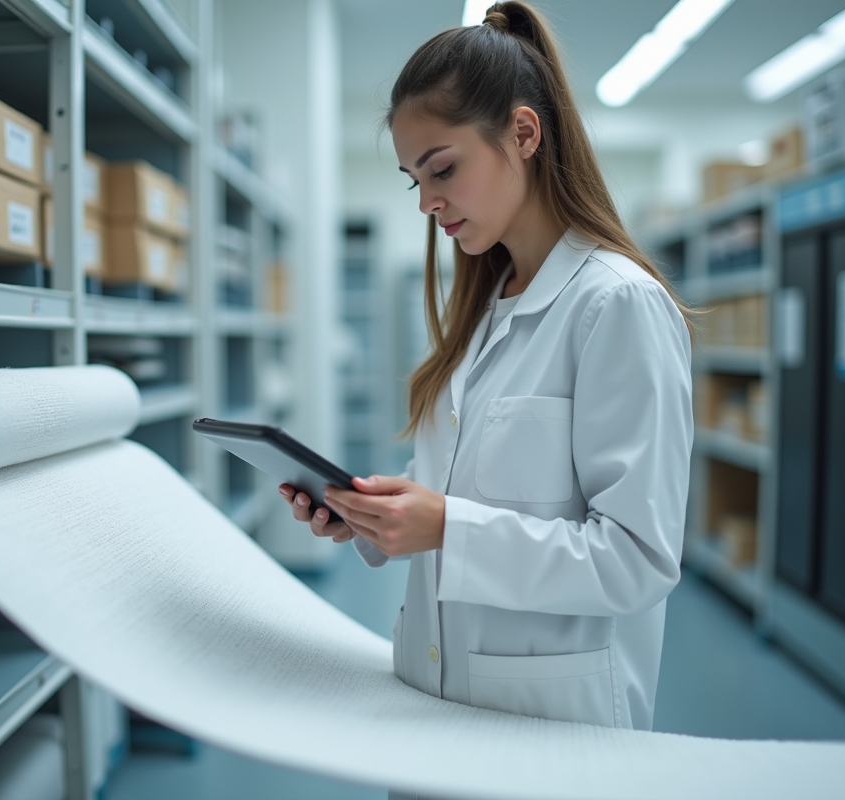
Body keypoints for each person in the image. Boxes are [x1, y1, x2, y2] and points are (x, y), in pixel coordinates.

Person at [280, 0, 692, 744]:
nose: (428, 202)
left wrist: (447, 530)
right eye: (415, 180)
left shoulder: (617, 305)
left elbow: (636, 561)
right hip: (436, 697)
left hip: (552, 724)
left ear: (524, 133)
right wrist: (372, 517)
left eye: (442, 169)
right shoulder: (488, 307)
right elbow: (458, 494)